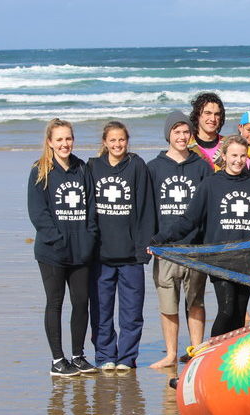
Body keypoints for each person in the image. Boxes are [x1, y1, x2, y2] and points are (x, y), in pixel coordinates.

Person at [151, 135, 250, 337]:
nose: (238, 160)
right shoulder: (210, 184)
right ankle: (210, 353)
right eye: (233, 155)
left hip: (247, 258)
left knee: (239, 313)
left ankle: (231, 361)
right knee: (226, 310)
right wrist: (160, 238)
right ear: (223, 155)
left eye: (242, 156)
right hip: (219, 257)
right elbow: (189, 220)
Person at [27, 118, 98, 376]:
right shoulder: (40, 170)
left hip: (81, 250)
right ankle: (58, 360)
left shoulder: (81, 168)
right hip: (52, 252)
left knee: (81, 302)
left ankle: (77, 356)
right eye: (59, 139)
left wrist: (89, 237)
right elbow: (38, 213)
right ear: (50, 142)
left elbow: (91, 206)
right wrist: (58, 239)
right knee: (55, 302)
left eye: (68, 138)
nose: (64, 143)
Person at [146, 111, 213, 368]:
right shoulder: (153, 167)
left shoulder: (201, 167)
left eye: (186, 132)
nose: (182, 136)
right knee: (168, 304)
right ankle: (171, 354)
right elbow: (147, 208)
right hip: (165, 249)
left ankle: (195, 350)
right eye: (177, 132)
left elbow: (209, 207)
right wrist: (150, 241)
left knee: (195, 301)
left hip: (194, 247)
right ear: (168, 135)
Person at [87, 121, 155, 371]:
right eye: (112, 140)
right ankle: (105, 355)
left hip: (130, 256)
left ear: (127, 141)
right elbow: (87, 210)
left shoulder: (137, 165)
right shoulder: (93, 167)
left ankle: (126, 358)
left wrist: (144, 247)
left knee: (132, 312)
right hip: (101, 255)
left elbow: (147, 208)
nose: (117, 144)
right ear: (104, 142)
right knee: (101, 310)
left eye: (121, 140)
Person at [188, 92, 226, 171]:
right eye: (207, 113)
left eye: (217, 114)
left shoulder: (228, 144)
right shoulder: (186, 146)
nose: (213, 119)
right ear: (197, 115)